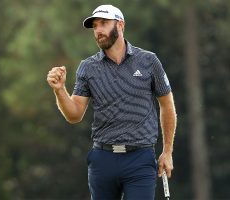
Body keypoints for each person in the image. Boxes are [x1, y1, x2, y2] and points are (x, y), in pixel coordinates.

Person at [47, 4, 177, 200]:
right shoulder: (87, 68)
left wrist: (167, 152)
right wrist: (60, 91)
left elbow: (167, 105)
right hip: (103, 159)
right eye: (95, 26)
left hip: (140, 158)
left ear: (120, 25)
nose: (98, 30)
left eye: (104, 24)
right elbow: (74, 115)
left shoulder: (149, 61)